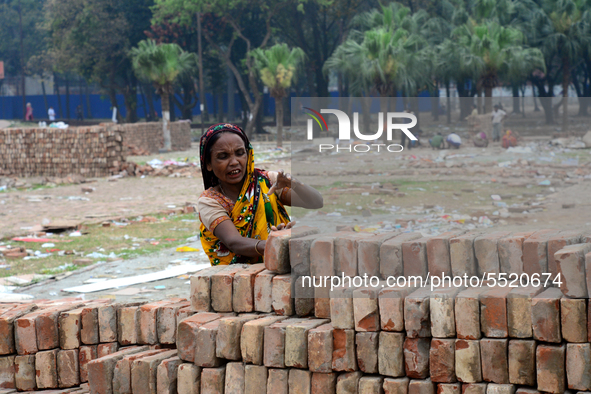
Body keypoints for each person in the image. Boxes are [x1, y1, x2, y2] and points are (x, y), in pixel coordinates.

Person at [198, 123, 323, 265]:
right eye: (223, 156)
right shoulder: (209, 201)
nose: (234, 162)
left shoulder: (268, 182)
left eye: (240, 153)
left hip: (279, 268)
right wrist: (276, 242)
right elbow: (234, 242)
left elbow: (316, 202)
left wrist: (295, 184)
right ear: (208, 163)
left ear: (248, 153)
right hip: (234, 279)